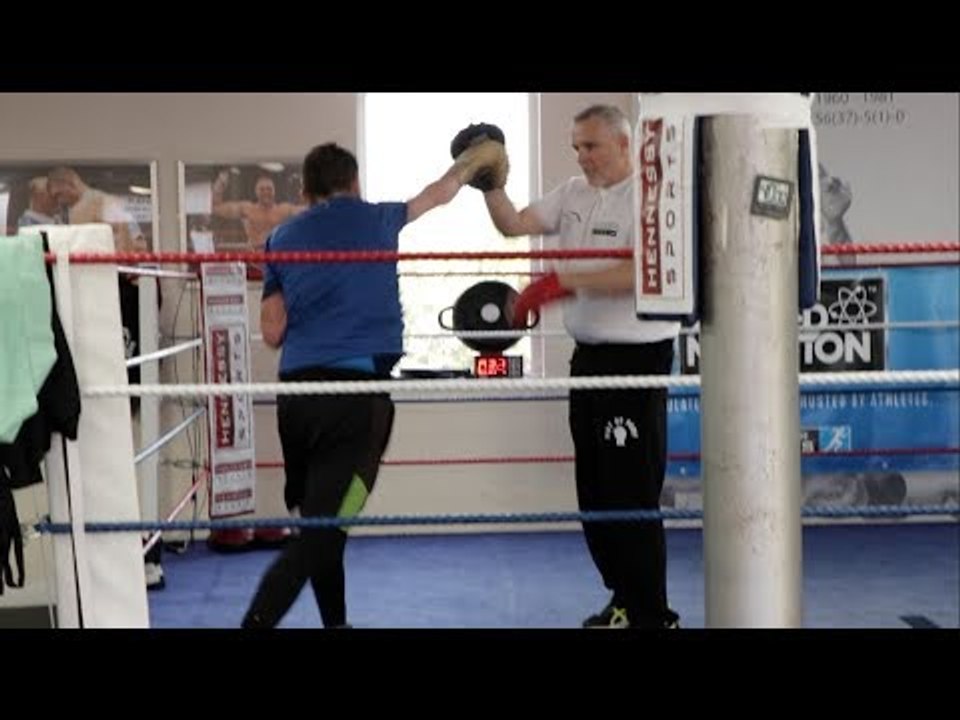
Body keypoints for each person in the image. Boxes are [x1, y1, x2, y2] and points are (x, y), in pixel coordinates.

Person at [241, 138, 504, 629]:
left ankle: (336, 624)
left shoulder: (279, 238)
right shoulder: (380, 219)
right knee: (322, 529)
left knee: (322, 523)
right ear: (354, 182)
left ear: (305, 189)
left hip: (296, 399)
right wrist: (476, 160)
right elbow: (439, 192)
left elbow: (272, 332)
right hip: (356, 402)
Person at [479, 104, 681, 629]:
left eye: (590, 146)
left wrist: (564, 283)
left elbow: (642, 272)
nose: (582, 156)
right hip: (587, 358)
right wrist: (489, 184)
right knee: (593, 493)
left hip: (636, 361)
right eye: (576, 147)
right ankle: (625, 599)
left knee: (631, 493)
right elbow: (513, 225)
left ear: (622, 143)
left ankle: (654, 615)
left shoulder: (651, 196)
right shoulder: (571, 194)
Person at [211, 171, 305, 252]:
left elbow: (311, 210)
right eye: (262, 189)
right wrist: (221, 183)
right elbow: (216, 207)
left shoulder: (284, 210)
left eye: (269, 189)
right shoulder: (247, 209)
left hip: (277, 257)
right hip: (254, 256)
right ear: (256, 191)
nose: (266, 192)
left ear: (274, 191)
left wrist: (306, 187)